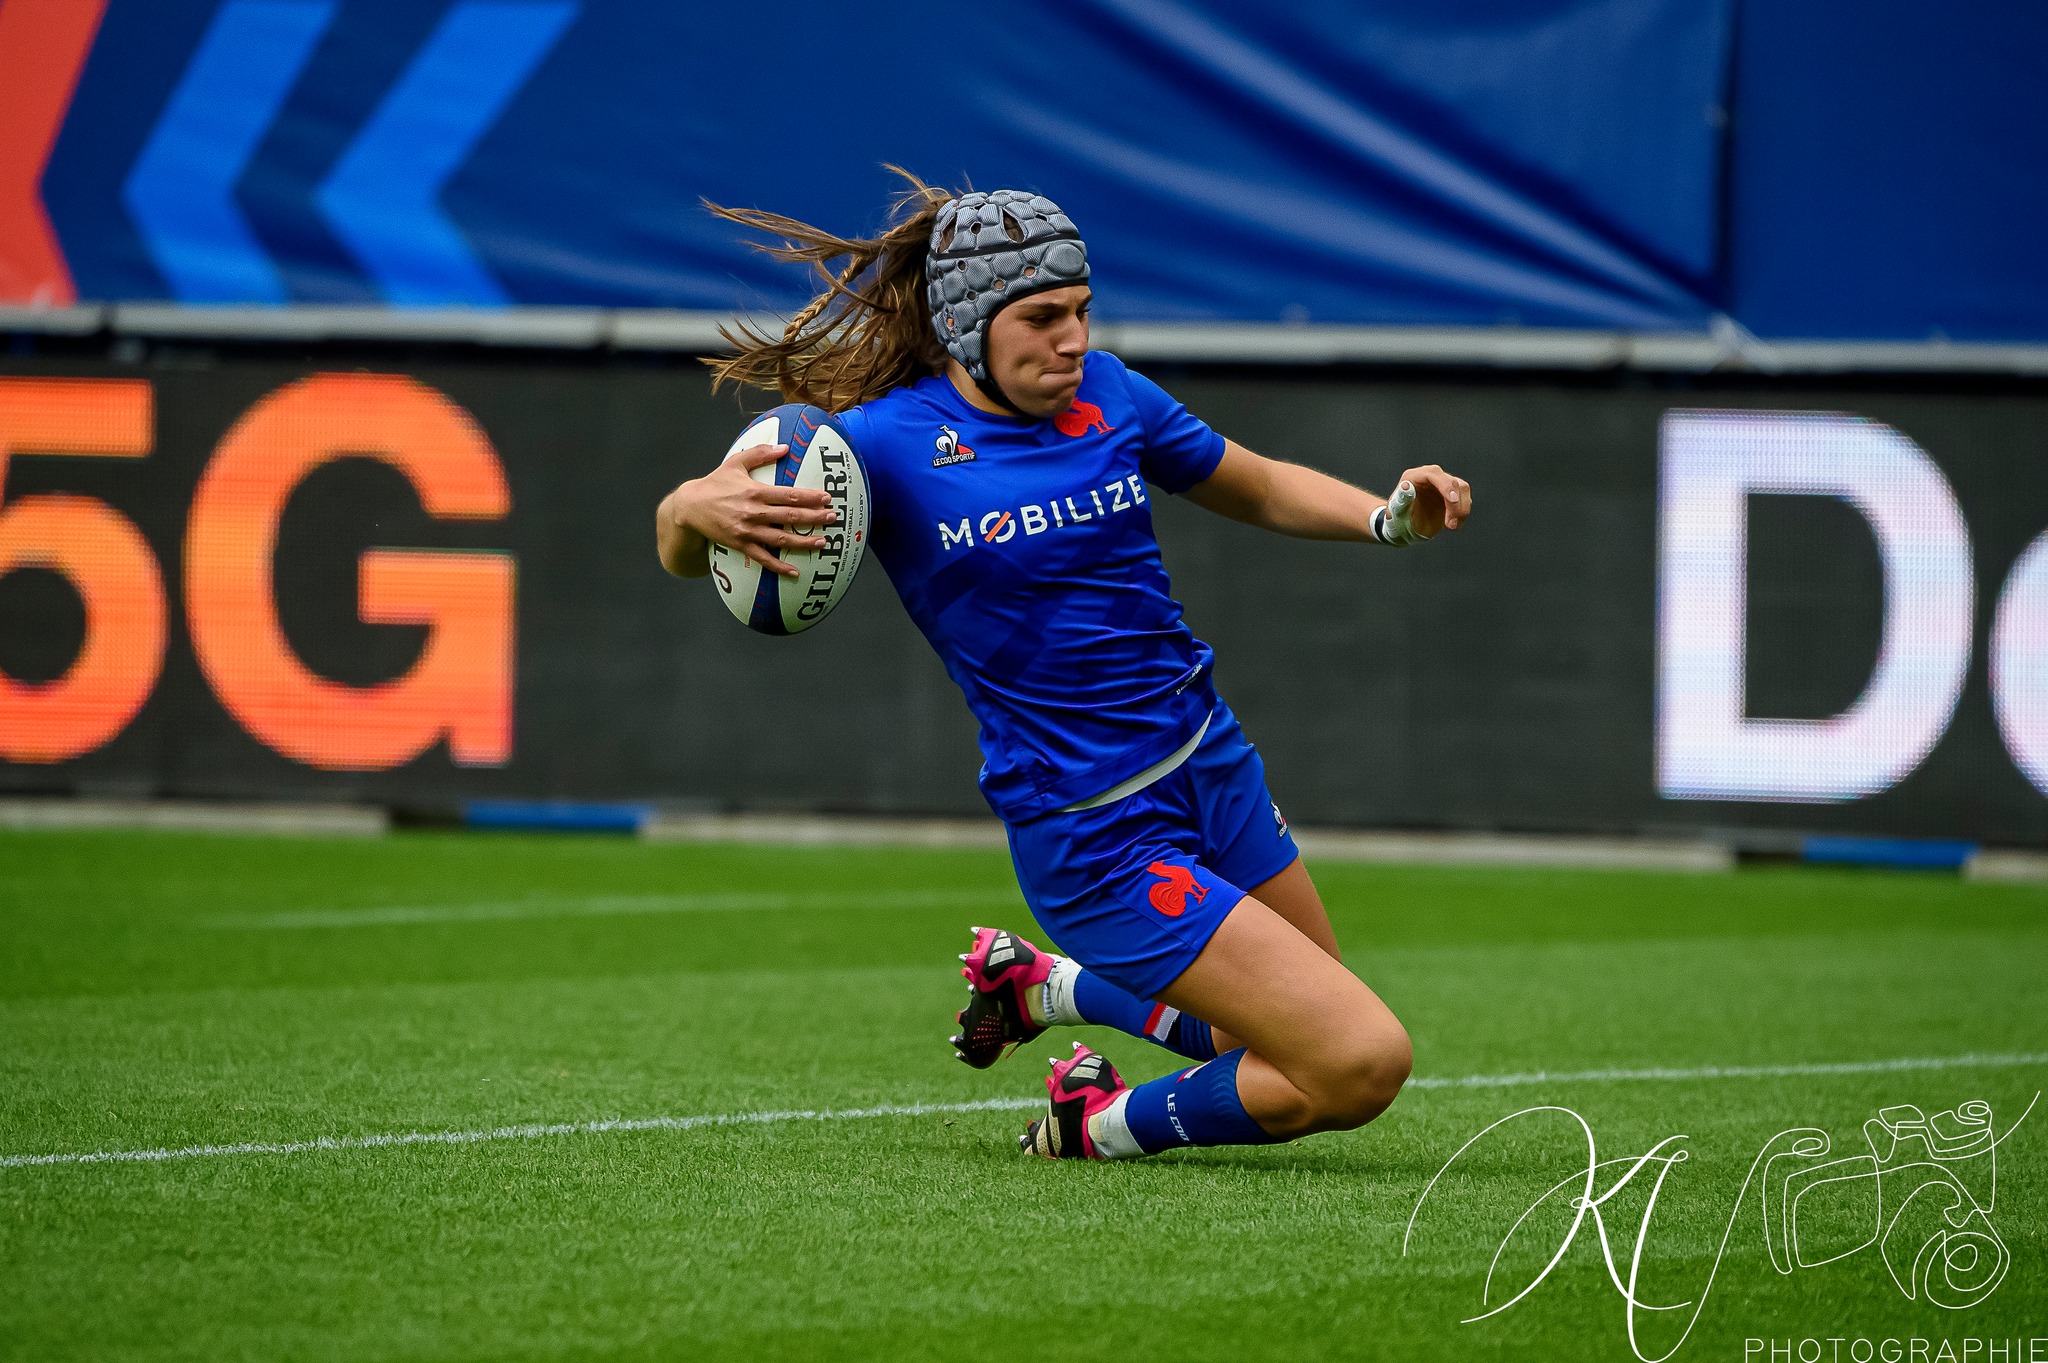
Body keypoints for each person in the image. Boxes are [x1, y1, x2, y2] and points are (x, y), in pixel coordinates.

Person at [655, 173, 1472, 1161]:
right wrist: (682, 516)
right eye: (1040, 317)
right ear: (966, 325)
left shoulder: (1111, 395)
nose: (1071, 338)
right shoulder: (877, 447)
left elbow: (1256, 485)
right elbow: (712, 542)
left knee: (1274, 1042)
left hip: (1213, 767)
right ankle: (1098, 1124)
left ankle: (1044, 988)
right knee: (1355, 1062)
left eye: (1080, 311)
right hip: (1092, 832)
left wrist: (1386, 518)